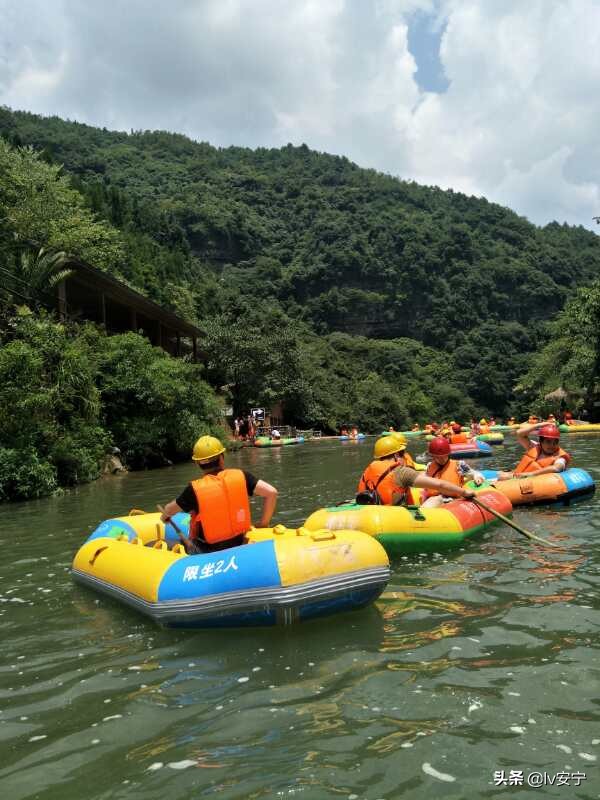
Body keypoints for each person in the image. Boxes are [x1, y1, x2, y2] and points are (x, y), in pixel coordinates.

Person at [160, 435, 278, 553]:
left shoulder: (194, 489)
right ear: (222, 458)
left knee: (157, 544)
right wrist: (263, 524)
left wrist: (165, 516)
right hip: (239, 542)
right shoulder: (242, 476)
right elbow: (271, 493)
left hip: (207, 549)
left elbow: (169, 510)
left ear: (197, 464)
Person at [418, 436, 484, 507]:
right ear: (433, 456)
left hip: (452, 500)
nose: (441, 459)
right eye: (438, 457)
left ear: (448, 454)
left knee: (435, 500)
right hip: (433, 497)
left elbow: (474, 473)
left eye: (444, 456)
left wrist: (477, 477)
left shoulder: (459, 465)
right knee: (434, 499)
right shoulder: (430, 466)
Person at [356, 434, 417, 505]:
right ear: (396, 454)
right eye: (401, 452)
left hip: (370, 506)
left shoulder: (370, 468)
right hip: (391, 510)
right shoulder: (400, 471)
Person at [496, 422, 571, 480]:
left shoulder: (560, 457)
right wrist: (540, 425)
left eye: (555, 442)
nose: (552, 445)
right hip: (519, 475)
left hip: (532, 480)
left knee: (502, 478)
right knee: (499, 475)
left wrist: (531, 474)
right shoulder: (534, 447)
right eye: (548, 442)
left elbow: (556, 468)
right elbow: (519, 434)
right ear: (541, 442)